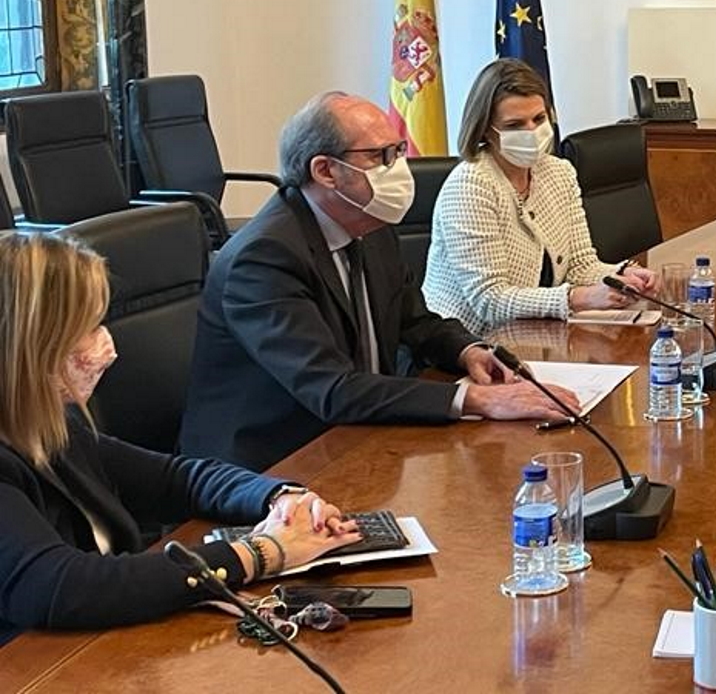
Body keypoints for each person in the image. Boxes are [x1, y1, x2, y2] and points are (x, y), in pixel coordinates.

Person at [180, 92, 578, 472]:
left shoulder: (369, 225)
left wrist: (469, 351)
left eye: (398, 150)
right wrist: (478, 399)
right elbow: (333, 389)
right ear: (325, 171)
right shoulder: (264, 258)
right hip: (271, 464)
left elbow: (416, 321)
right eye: (379, 156)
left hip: (357, 438)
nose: (398, 168)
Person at [0, 233, 363, 645]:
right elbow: (64, 586)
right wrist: (260, 553)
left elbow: (177, 478)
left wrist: (281, 498)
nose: (106, 344)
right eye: (88, 327)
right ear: (28, 345)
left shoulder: (46, 424)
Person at [424, 59, 657, 333]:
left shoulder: (558, 172)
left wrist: (619, 276)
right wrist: (578, 298)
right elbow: (490, 300)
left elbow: (580, 264)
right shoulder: (471, 186)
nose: (531, 132)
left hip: (534, 335)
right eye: (514, 125)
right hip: (465, 343)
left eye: (539, 119)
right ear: (486, 128)